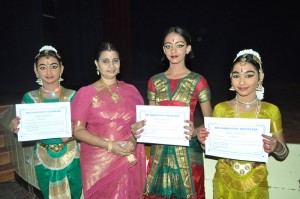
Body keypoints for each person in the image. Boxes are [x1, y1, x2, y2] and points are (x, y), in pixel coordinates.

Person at [132, 26, 212, 199]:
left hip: (188, 152)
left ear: (188, 48)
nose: (173, 50)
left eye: (179, 45)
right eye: (168, 46)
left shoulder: (198, 81)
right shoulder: (154, 81)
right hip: (160, 152)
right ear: (163, 49)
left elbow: (211, 122)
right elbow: (151, 119)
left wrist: (196, 131)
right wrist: (140, 128)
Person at [198, 49, 289, 198]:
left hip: (257, 182)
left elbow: (283, 153)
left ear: (261, 77)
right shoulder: (221, 109)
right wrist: (203, 141)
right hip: (224, 182)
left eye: (249, 75)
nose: (241, 82)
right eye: (236, 75)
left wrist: (276, 146)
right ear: (230, 78)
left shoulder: (271, 111)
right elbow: (210, 146)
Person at [71, 42, 146, 199]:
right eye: (105, 61)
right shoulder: (85, 93)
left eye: (115, 60)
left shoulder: (132, 91)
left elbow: (140, 124)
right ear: (96, 64)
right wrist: (110, 146)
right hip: (100, 164)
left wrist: (133, 140)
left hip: (128, 157)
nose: (111, 66)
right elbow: (77, 131)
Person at [10, 45, 82, 199]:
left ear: (61, 68)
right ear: (36, 70)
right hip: (42, 157)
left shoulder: (74, 96)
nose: (48, 72)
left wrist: (73, 135)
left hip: (72, 156)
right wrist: (18, 129)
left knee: (76, 193)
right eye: (43, 67)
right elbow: (25, 130)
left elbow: (85, 129)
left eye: (53, 66)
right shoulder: (29, 98)